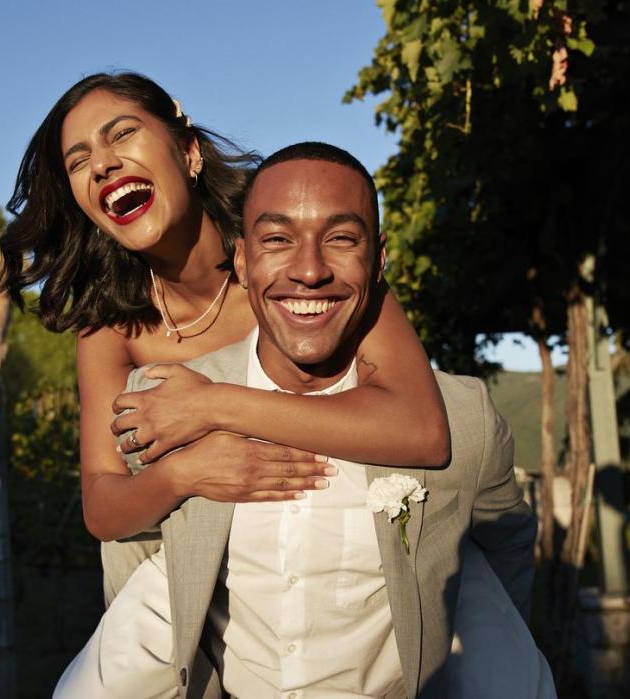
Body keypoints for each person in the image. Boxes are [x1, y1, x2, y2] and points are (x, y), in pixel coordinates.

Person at [56, 143, 555, 698]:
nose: (311, 270)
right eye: (277, 240)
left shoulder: (462, 420)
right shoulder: (164, 406)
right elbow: (134, 563)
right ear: (241, 261)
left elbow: (503, 554)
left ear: (379, 258)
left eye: (341, 239)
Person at [0, 71, 452, 605]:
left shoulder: (298, 264)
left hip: (336, 570)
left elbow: (422, 430)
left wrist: (212, 405)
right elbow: (101, 507)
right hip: (181, 593)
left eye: (122, 135)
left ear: (189, 152)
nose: (102, 164)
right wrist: (184, 474)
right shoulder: (108, 325)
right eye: (78, 161)